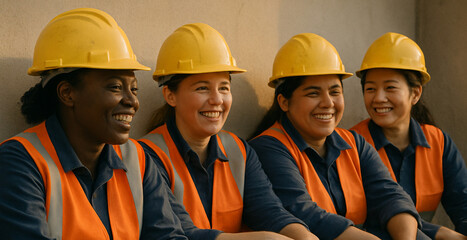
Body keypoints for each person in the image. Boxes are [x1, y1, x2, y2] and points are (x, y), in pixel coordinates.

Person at [0, 8, 187, 239]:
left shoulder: (137, 160)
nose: (132, 101)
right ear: (67, 93)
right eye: (116, 87)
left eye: (134, 89)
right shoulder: (20, 161)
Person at [138, 23, 317, 240]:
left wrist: (304, 236)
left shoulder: (239, 151)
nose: (217, 100)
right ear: (170, 95)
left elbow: (269, 212)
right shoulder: (147, 156)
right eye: (202, 88)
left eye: (224, 88)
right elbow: (180, 233)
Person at [249, 33, 429, 240]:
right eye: (313, 93)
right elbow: (303, 212)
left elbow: (390, 196)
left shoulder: (355, 144)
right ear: (284, 102)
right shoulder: (268, 148)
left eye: (335, 92)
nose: (328, 103)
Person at [351, 32, 467, 239]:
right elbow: (373, 215)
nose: (378, 98)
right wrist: (440, 233)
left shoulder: (438, 142)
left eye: (390, 88)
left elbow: (463, 204)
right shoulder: (351, 145)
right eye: (370, 89)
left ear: (415, 94)